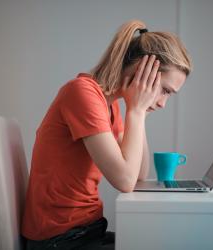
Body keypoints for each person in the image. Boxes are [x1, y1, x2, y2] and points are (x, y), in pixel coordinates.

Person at [21, 19, 192, 250]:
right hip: (60, 239)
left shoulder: (108, 105)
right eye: (165, 90)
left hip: (87, 231)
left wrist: (140, 113)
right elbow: (125, 181)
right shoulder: (82, 93)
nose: (163, 102)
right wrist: (137, 111)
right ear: (144, 70)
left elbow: (139, 174)